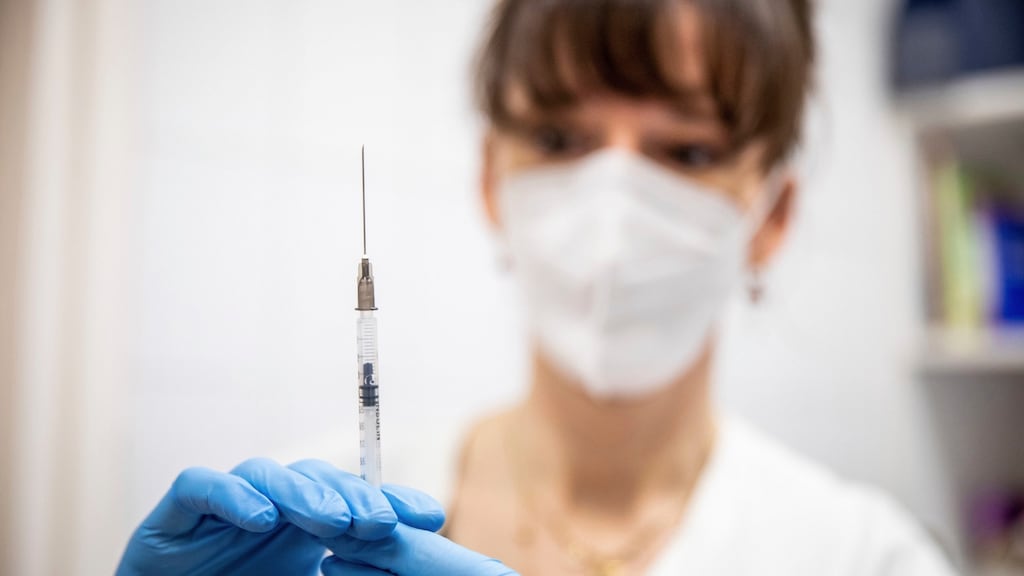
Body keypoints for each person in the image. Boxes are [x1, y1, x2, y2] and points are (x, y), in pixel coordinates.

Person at [118, 0, 961, 574]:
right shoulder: (326, 516)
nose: (613, 205)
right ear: (492, 179)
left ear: (773, 215)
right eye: (560, 138)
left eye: (688, 152)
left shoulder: (863, 555)